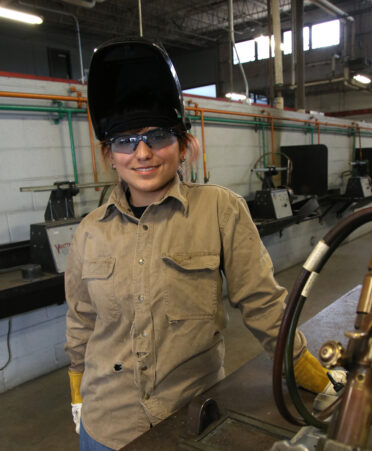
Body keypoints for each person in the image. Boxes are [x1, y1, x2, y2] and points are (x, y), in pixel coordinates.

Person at [65, 38, 344, 451]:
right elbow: (81, 324)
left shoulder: (220, 210)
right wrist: (77, 395)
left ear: (183, 145)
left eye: (157, 136)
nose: (142, 153)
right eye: (125, 141)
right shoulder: (89, 231)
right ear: (109, 155)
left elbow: (264, 305)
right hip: (105, 428)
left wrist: (307, 371)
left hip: (190, 419)